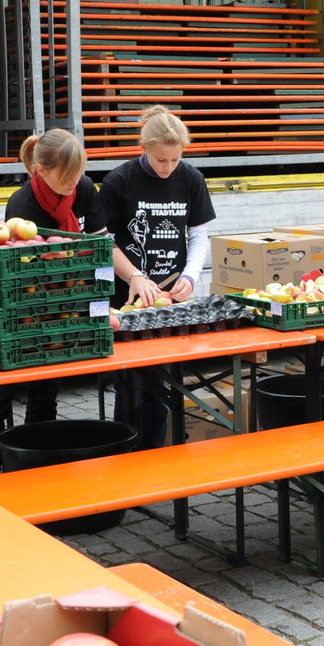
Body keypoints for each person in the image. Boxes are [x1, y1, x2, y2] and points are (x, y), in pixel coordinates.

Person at [0, 130, 105, 476]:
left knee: (47, 390)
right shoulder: (22, 205)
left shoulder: (84, 189)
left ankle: (33, 469)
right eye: (67, 176)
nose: (74, 182)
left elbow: (99, 242)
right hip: (21, 307)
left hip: (64, 303)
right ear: (41, 170)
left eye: (78, 174)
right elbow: (19, 268)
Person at [101, 106, 217, 448]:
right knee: (129, 384)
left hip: (170, 298)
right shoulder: (118, 181)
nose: (168, 167)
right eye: (161, 160)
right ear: (144, 147)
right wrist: (135, 275)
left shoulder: (191, 178)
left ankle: (153, 456)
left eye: (175, 159)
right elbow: (103, 241)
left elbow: (198, 235)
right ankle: (125, 454)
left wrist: (192, 276)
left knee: (162, 383)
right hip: (126, 300)